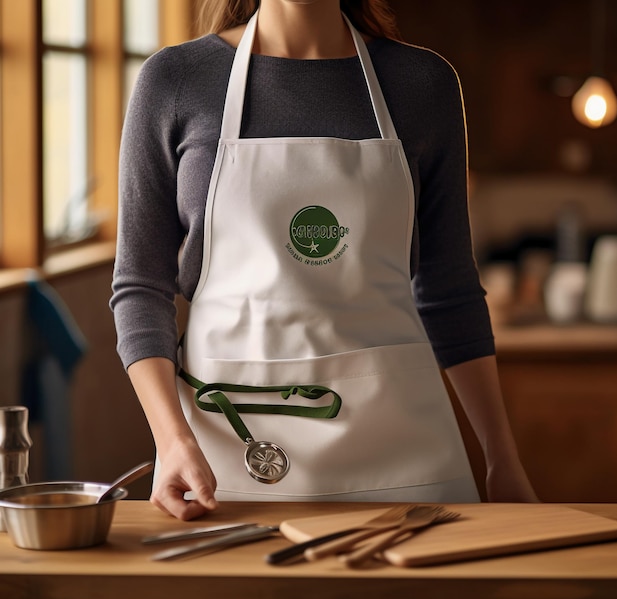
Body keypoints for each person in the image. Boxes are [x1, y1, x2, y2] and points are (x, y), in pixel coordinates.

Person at [111, 0, 538, 521]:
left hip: (403, 448)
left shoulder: (423, 84)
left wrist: (502, 457)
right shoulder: (176, 80)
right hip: (227, 452)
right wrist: (171, 439)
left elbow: (449, 290)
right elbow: (140, 287)